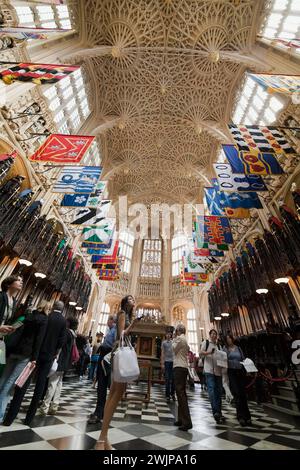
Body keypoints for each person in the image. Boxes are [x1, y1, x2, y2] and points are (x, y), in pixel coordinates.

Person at [94, 295, 137, 450]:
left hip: (119, 354)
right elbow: (121, 335)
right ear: (126, 302)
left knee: (113, 394)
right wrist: (133, 325)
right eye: (131, 299)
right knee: (117, 393)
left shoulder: (125, 315)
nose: (134, 301)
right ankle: (101, 440)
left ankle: (104, 439)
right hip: (120, 355)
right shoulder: (122, 314)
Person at [0, 300, 50, 423]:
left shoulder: (28, 316)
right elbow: (38, 340)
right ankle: (0, 414)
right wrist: (34, 358)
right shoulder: (43, 320)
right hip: (26, 353)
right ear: (47, 308)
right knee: (11, 383)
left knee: (3, 380)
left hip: (15, 350)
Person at [21, 300, 66, 425]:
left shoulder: (47, 316)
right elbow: (61, 340)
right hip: (49, 355)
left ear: (53, 307)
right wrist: (55, 352)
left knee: (26, 379)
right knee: (40, 384)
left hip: (36, 352)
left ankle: (15, 407)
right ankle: (29, 417)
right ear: (62, 309)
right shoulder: (63, 321)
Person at [39, 316, 78, 416]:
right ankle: (54, 406)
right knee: (59, 384)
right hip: (66, 362)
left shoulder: (67, 333)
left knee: (52, 384)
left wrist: (55, 355)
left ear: (68, 323)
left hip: (59, 361)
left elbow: (60, 345)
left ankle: (45, 407)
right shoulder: (73, 335)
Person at [88, 316, 116, 424]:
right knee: (101, 386)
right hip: (104, 357)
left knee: (102, 386)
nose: (107, 321)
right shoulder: (111, 330)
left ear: (112, 321)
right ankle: (100, 412)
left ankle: (100, 413)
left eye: (109, 319)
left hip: (106, 357)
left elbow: (113, 345)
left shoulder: (114, 330)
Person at [223, 334, 252, 426]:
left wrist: (248, 369)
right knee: (237, 394)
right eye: (227, 339)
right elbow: (224, 360)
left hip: (240, 371)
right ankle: (240, 417)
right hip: (232, 373)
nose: (228, 340)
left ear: (232, 339)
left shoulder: (238, 348)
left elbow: (243, 359)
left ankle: (247, 416)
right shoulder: (225, 349)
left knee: (243, 394)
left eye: (229, 338)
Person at [199, 329, 225, 424]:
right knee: (211, 390)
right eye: (212, 334)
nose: (214, 335)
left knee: (218, 392)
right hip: (209, 370)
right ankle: (216, 412)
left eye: (215, 334)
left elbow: (222, 357)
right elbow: (200, 353)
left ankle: (219, 411)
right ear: (210, 335)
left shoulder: (219, 346)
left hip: (218, 371)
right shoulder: (205, 343)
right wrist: (209, 353)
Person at [172, 324, 192, 431]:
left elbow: (173, 349)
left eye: (176, 331)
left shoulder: (180, 338)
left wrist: (173, 339)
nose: (175, 332)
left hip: (179, 367)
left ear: (179, 331)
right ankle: (180, 419)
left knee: (181, 393)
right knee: (180, 393)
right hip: (183, 367)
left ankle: (187, 422)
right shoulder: (184, 339)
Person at [161, 332, 175, 402]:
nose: (168, 335)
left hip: (173, 362)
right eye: (167, 334)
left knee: (173, 379)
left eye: (169, 334)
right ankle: (167, 395)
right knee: (167, 379)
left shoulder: (173, 342)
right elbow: (162, 353)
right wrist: (162, 363)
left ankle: (172, 393)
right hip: (166, 362)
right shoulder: (164, 343)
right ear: (165, 335)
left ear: (171, 335)